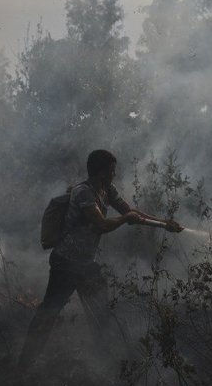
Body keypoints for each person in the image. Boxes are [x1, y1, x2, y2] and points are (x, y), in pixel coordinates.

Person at [17, 149, 183, 370]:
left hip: (86, 265)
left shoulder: (107, 189)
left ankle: (105, 365)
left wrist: (164, 223)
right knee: (49, 312)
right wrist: (126, 219)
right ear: (102, 173)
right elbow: (102, 225)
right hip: (65, 263)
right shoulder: (83, 193)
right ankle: (24, 365)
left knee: (100, 314)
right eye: (112, 171)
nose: (115, 175)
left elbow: (131, 211)